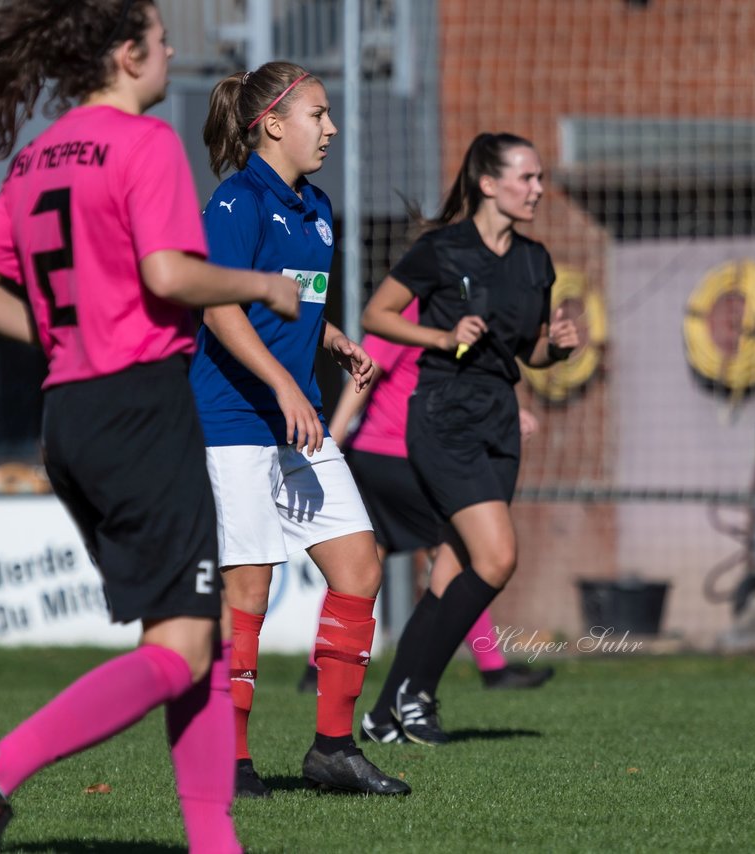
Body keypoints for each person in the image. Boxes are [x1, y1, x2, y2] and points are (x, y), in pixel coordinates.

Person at [0, 3, 300, 852]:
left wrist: (70, 333)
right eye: (161, 37)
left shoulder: (36, 156)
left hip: (69, 413)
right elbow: (168, 272)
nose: (172, 49)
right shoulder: (143, 143)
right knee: (180, 647)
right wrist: (261, 286)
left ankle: (215, 841)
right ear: (127, 53)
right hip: (140, 404)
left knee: (194, 633)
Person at [191, 61, 408, 798]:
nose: (332, 128)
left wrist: (332, 337)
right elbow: (220, 309)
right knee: (248, 586)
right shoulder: (235, 201)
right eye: (319, 114)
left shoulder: (314, 207)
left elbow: (289, 301)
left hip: (295, 419)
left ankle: (333, 750)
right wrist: (286, 381)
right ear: (272, 124)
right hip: (236, 421)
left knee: (360, 565)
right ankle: (229, 759)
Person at [359, 132, 580, 745]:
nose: (537, 188)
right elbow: (375, 316)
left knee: (451, 572)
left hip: (498, 422)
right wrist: (442, 335)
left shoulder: (537, 260)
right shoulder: (441, 251)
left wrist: (553, 348)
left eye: (539, 178)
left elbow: (530, 352)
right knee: (498, 557)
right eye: (526, 177)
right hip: (442, 416)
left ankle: (383, 716)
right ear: (488, 183)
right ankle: (417, 691)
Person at [296, 304, 555, 711]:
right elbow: (364, 375)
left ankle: (316, 669)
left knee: (361, 567)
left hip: (396, 458)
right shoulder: (407, 311)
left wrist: (505, 413)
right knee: (459, 555)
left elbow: (456, 387)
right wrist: (334, 441)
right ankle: (489, 667)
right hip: (394, 460)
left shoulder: (453, 319)